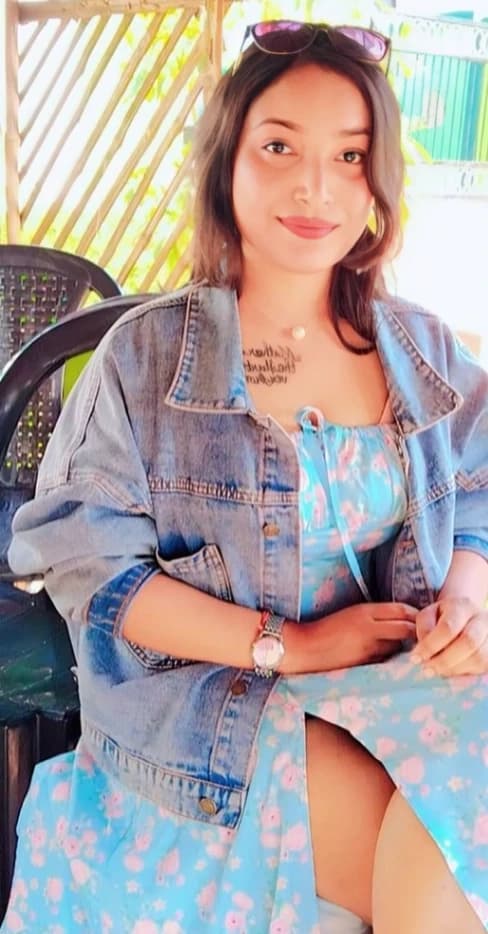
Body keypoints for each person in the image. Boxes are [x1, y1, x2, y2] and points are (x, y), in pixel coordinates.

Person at [2, 19, 487, 934]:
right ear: (228, 158)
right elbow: (89, 569)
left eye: (350, 156)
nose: (316, 186)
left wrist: (468, 596)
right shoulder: (145, 358)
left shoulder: (421, 349)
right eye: (279, 147)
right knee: (445, 859)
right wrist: (289, 645)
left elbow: (477, 488)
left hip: (399, 685)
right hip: (216, 713)